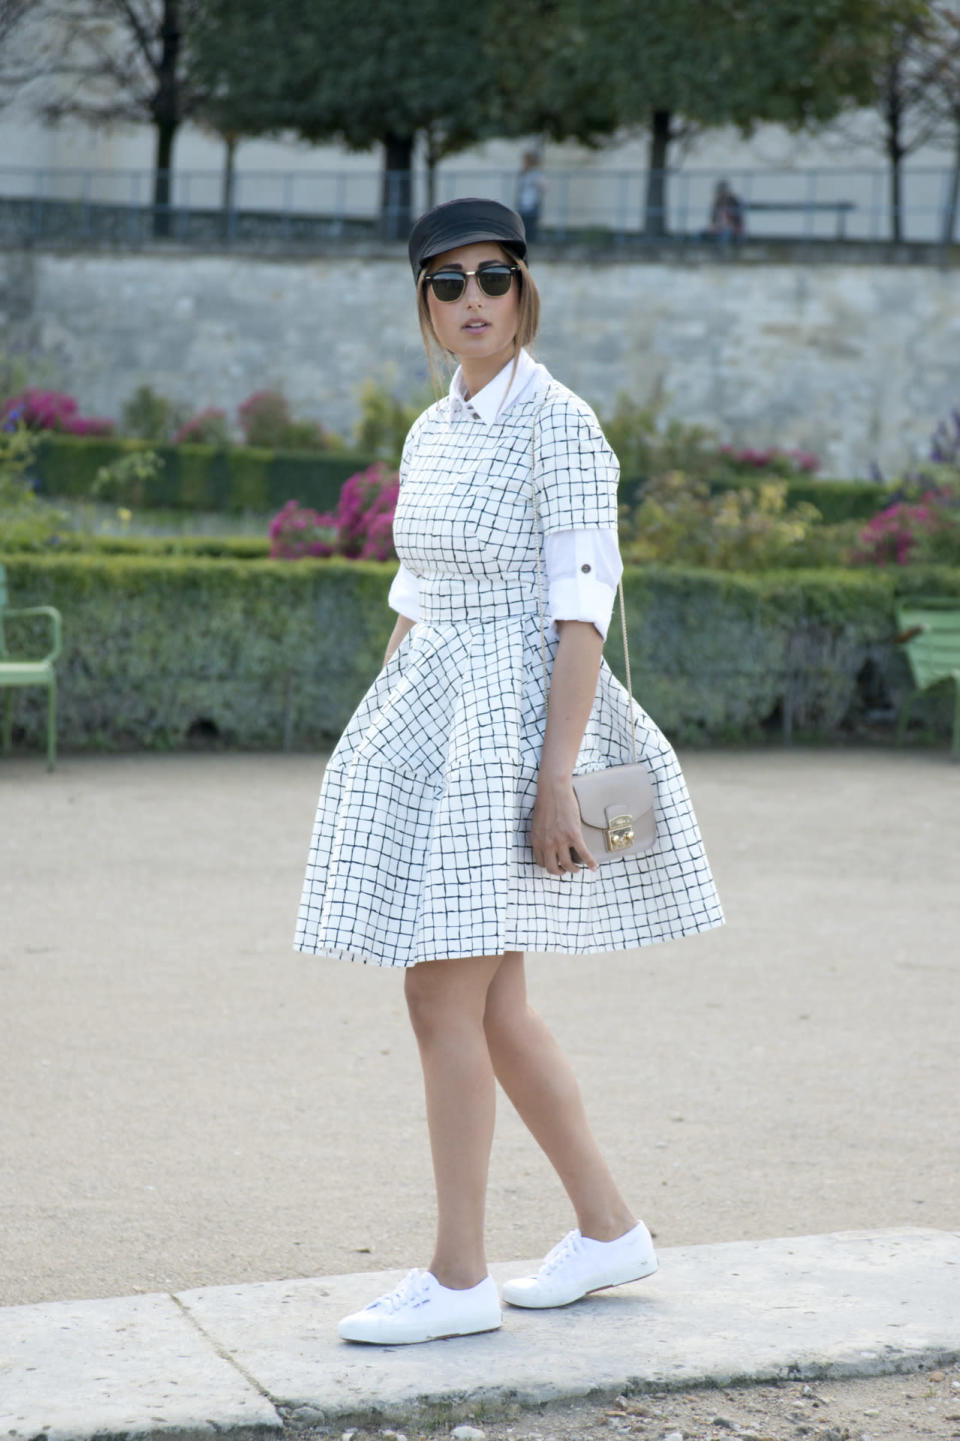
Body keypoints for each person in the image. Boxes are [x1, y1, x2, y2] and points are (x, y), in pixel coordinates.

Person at [294, 197, 724, 1346]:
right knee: (493, 1002)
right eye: (448, 283)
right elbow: (415, 596)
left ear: (524, 290)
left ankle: (458, 1274)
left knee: (442, 992)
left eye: (493, 277)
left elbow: (582, 617)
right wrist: (380, 738)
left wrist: (555, 779)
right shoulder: (430, 431)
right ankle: (608, 1228)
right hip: (437, 717)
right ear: (425, 305)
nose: (472, 299)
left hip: (517, 725)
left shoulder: (564, 425)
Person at [515, 150, 546, 243]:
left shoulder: (535, 174)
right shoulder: (524, 173)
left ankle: (531, 243)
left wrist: (536, 182)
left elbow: (544, 185)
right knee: (522, 226)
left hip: (531, 203)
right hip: (523, 203)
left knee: (530, 226)